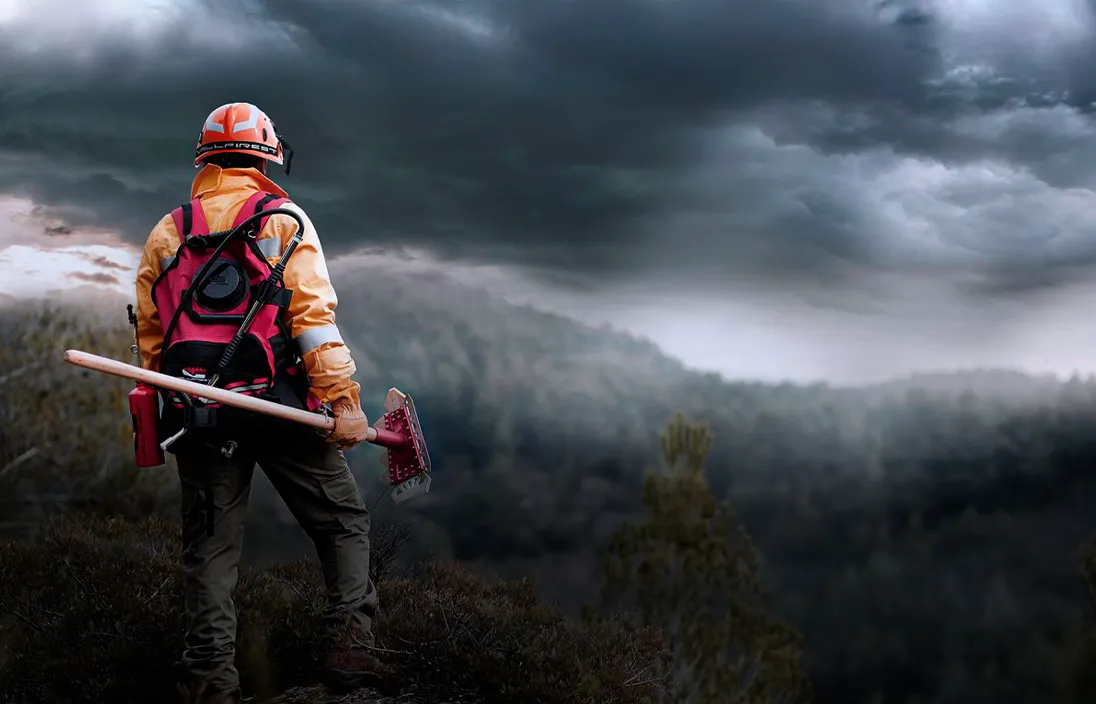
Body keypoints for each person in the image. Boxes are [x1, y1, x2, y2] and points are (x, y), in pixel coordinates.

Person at [133, 102, 392, 704]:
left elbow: (152, 338)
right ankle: (351, 648)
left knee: (209, 550)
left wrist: (177, 405)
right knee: (343, 522)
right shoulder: (284, 222)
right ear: (267, 157)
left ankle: (209, 681)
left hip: (198, 410)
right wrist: (343, 402)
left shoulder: (168, 231)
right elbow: (313, 321)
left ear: (205, 158)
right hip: (281, 407)